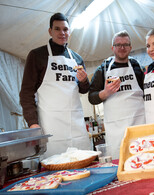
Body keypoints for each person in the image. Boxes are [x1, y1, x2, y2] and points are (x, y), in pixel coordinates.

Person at [19, 13, 91, 158]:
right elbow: (26, 93)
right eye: (57, 29)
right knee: (55, 167)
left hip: (76, 124)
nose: (62, 33)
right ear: (50, 31)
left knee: (83, 162)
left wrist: (84, 81)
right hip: (51, 125)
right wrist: (33, 123)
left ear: (69, 31)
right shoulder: (37, 55)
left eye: (65, 29)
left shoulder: (77, 58)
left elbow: (83, 90)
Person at [88, 30, 145, 159]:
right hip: (115, 128)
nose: (122, 48)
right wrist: (105, 93)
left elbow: (146, 92)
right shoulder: (103, 69)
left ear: (130, 47)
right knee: (119, 160)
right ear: (112, 47)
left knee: (143, 157)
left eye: (125, 44)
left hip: (138, 123)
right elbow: (91, 97)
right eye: (118, 45)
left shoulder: (137, 67)